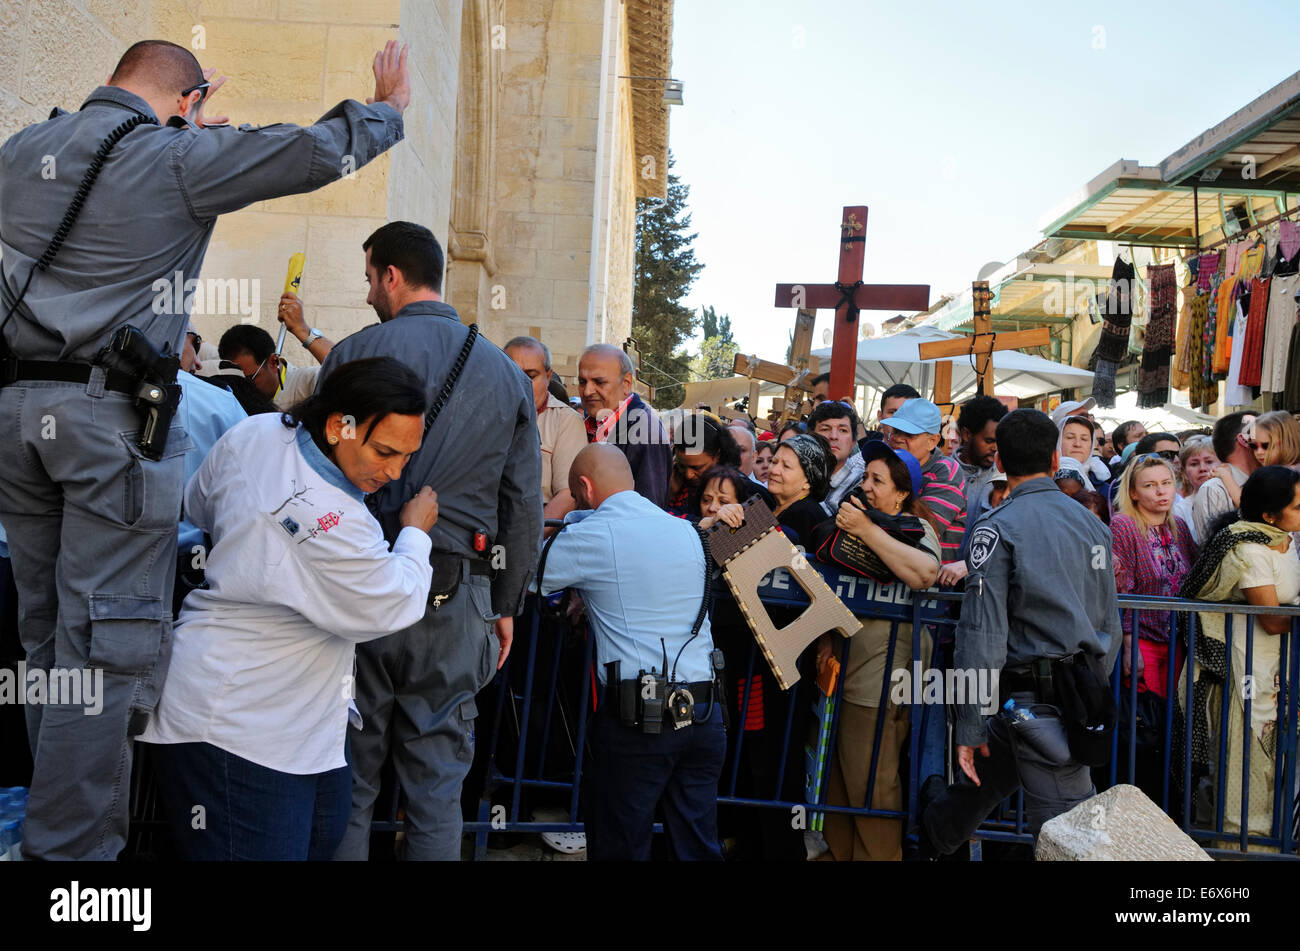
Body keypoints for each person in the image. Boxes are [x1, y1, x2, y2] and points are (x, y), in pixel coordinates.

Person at [0, 37, 409, 861]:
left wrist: (178, 145)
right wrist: (385, 115)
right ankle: (68, 861)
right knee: (106, 646)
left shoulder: (24, 149)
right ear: (190, 99)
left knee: (46, 638)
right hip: (107, 420)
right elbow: (304, 151)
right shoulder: (178, 158)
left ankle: (48, 826)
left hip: (18, 412)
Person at [138, 357, 438, 859]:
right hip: (240, 725)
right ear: (337, 426)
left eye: (407, 457)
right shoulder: (337, 520)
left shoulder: (255, 434)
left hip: (302, 726)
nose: (393, 472)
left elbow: (200, 503)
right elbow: (393, 600)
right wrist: (414, 534)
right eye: (385, 452)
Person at [324, 222, 542, 862]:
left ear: (391, 275)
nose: (368, 294)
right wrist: (505, 605)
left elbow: (317, 471)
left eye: (369, 279)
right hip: (456, 597)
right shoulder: (505, 374)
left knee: (350, 777)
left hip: (359, 587)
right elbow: (522, 504)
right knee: (436, 789)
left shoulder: (354, 354)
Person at [919, 409, 1121, 853]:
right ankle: (931, 837)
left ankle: (931, 835)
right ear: (1054, 459)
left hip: (1038, 701)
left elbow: (981, 635)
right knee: (989, 786)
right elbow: (1111, 621)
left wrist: (968, 725)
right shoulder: (1091, 523)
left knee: (1072, 840)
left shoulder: (998, 527)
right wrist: (1090, 685)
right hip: (1057, 695)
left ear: (1002, 463)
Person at [535, 444, 725, 860]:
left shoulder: (593, 535)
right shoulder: (687, 530)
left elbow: (528, 573)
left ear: (584, 487)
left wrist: (563, 513)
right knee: (696, 845)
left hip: (640, 718)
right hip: (704, 711)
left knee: (621, 843)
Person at [820, 441, 940, 861]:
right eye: (865, 477)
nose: (866, 486)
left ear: (902, 492)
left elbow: (925, 573)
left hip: (883, 680)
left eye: (878, 480)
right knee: (840, 782)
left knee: (872, 783)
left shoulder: (915, 529)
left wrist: (867, 529)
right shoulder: (861, 522)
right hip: (848, 672)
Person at [1179, 466, 1300, 845]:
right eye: (1297, 507)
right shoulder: (1247, 548)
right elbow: (1274, 620)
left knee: (1276, 756)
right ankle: (1238, 845)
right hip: (1245, 666)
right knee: (1246, 759)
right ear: (1268, 515)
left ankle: (1272, 839)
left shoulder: (1284, 539)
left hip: (1280, 665)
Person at [578, 343, 673, 508]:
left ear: (626, 384)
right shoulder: (590, 422)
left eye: (599, 382)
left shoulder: (645, 430)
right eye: (582, 381)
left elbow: (648, 510)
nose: (587, 391)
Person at [506, 335, 587, 525]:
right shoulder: (485, 414)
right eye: (512, 374)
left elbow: (568, 495)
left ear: (548, 377)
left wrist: (529, 540)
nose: (520, 384)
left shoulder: (565, 421)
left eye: (530, 376)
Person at [881, 398, 967, 564]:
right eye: (896, 431)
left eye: (909, 435)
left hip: (931, 581)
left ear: (932, 441)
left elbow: (921, 531)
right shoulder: (886, 464)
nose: (898, 438)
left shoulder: (946, 470)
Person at [217, 324, 320, 411]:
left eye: (249, 380)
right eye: (236, 382)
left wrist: (302, 330)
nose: (243, 389)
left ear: (273, 362)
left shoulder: (311, 382)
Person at [1191, 411, 1258, 543]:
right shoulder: (1214, 490)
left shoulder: (1272, 482)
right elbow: (1215, 551)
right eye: (1266, 433)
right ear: (1245, 440)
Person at [764, 433, 835, 545]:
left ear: (807, 481)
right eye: (774, 462)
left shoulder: (804, 515)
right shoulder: (775, 503)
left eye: (786, 466)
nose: (774, 470)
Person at [668, 411, 741, 518]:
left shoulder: (738, 487)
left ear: (718, 456)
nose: (688, 475)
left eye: (697, 467)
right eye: (682, 466)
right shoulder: (672, 482)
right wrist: (668, 494)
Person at [952, 395, 1008, 533]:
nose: (995, 448)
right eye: (989, 441)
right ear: (966, 434)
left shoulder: (1005, 480)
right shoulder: (943, 473)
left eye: (999, 442)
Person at [811, 400, 866, 511]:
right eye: (825, 429)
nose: (833, 436)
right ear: (810, 438)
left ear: (853, 442)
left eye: (843, 430)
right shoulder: (797, 474)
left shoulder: (862, 484)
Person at [1177, 434, 1218, 539]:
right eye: (1194, 464)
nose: (1202, 468)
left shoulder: (1235, 497)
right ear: (1185, 473)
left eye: (1209, 462)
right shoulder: (1180, 511)